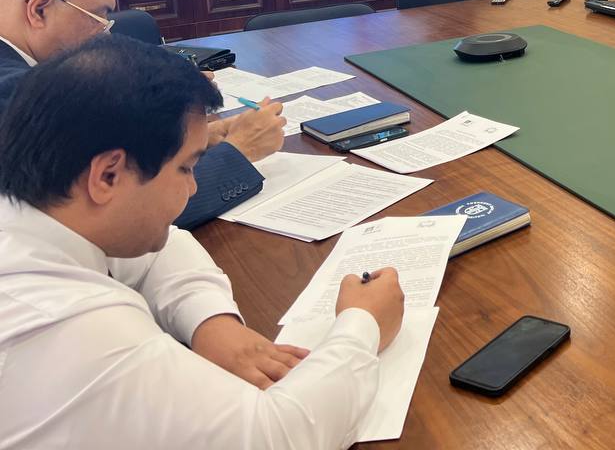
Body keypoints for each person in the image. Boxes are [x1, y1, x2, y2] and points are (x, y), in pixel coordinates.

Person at [0, 35, 405, 449]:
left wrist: (211, 323)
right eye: (186, 167)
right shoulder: (72, 329)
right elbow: (278, 436)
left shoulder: (40, 216)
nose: (193, 188)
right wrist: (363, 326)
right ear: (108, 175)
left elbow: (161, 246)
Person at [0, 0, 281, 228]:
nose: (104, 34)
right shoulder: (15, 94)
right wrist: (241, 149)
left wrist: (188, 141)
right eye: (98, 16)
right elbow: (119, 214)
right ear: (39, 9)